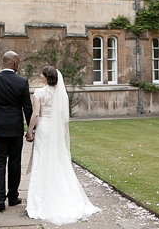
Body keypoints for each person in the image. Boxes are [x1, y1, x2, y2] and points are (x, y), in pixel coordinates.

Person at [26, 66, 100, 225]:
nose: (40, 75)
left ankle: (41, 201)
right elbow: (64, 118)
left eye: (42, 73)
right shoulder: (62, 95)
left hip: (44, 129)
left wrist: (29, 130)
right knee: (58, 161)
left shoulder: (39, 93)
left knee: (42, 161)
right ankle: (63, 196)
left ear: (46, 77)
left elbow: (36, 114)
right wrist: (65, 137)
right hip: (57, 130)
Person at [0, 51, 33, 212]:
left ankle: (0, 198)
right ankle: (13, 196)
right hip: (15, 128)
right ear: (15, 62)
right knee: (15, 162)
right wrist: (32, 129)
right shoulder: (22, 82)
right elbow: (27, 108)